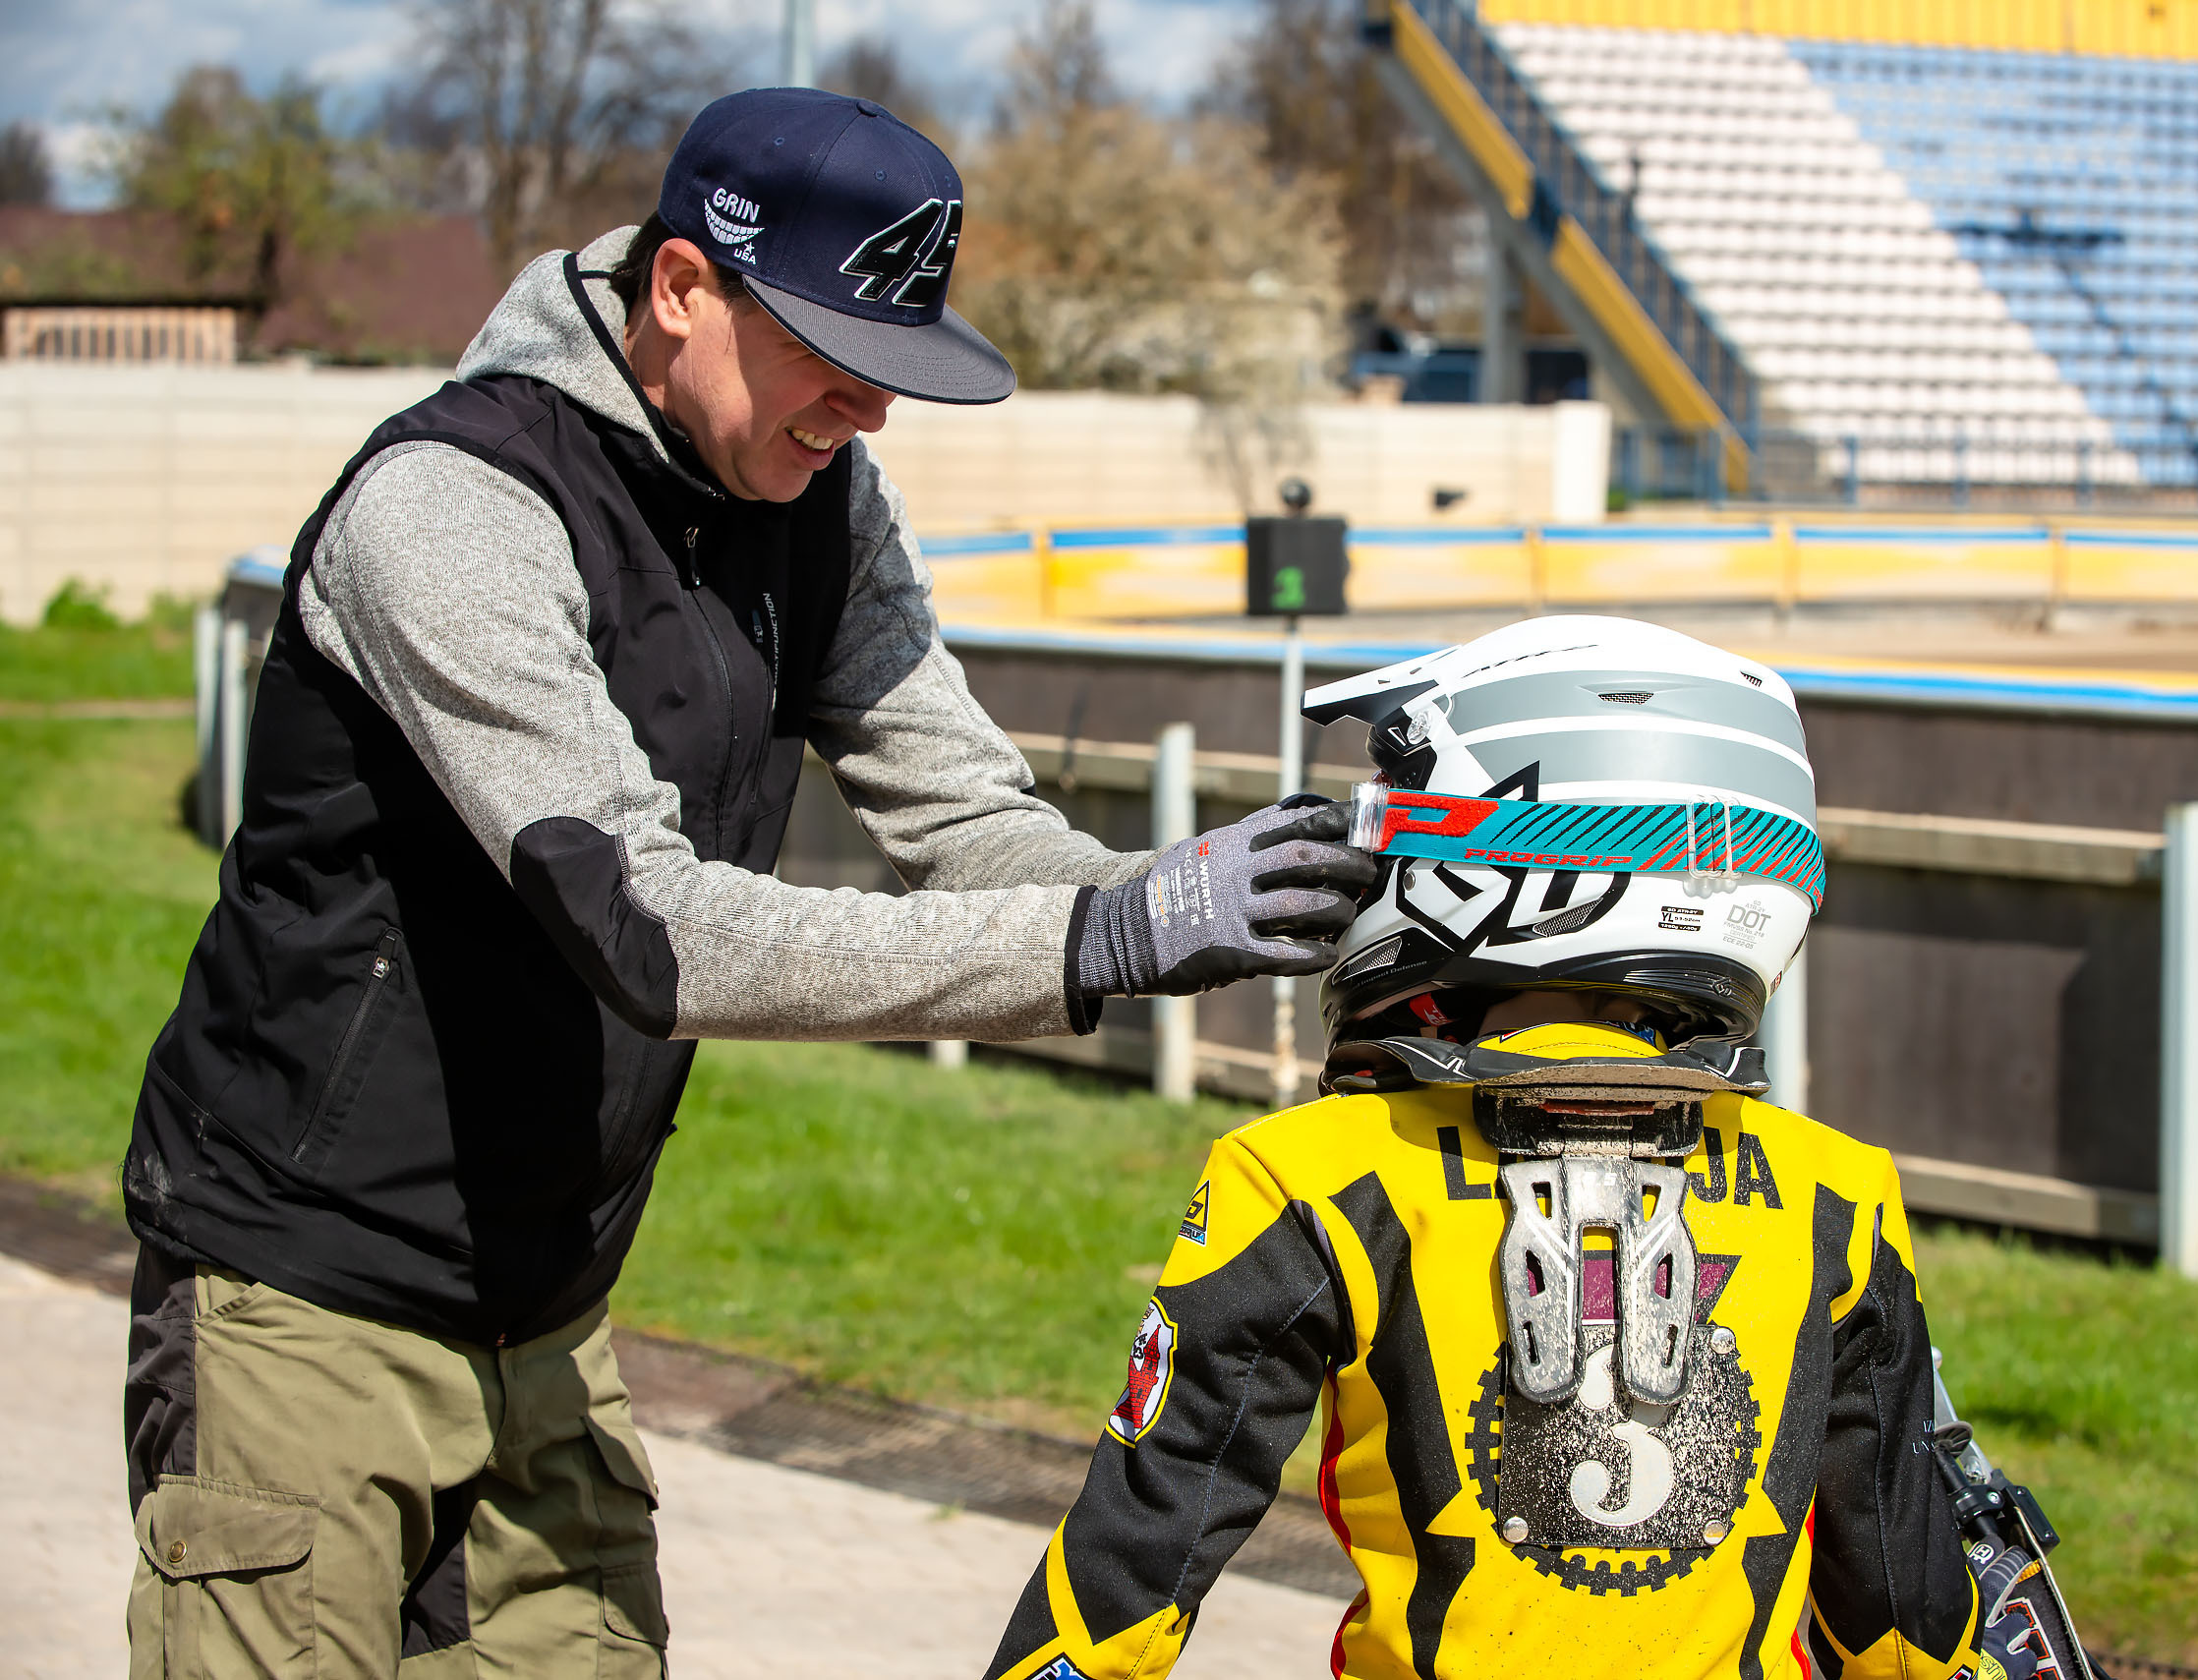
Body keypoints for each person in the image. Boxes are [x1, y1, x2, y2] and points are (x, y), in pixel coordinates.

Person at [119, 87, 1371, 1677]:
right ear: (683, 287)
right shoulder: (453, 506)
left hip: (550, 1304)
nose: (869, 411)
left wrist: (1210, 902)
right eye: (833, 358)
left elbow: (970, 818)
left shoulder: (820, 499)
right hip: (300, 1298)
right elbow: (655, 929)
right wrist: (1107, 930)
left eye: (894, 372)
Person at [985, 616, 1988, 1680]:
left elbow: (1145, 1539)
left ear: (1518, 857)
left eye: (1399, 822)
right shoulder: (1839, 1188)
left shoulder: (1309, 1173)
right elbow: (1903, 1601)